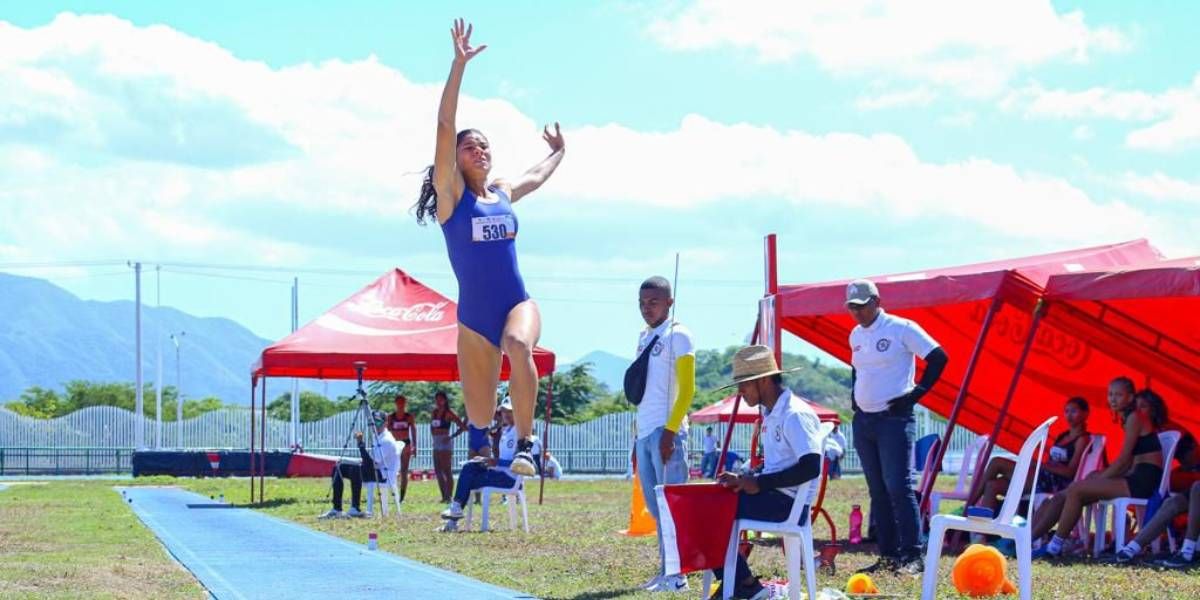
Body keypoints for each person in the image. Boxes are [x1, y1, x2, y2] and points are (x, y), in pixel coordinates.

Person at [413, 19, 565, 478]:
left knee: (520, 344)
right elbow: (444, 123)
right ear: (454, 160)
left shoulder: (500, 192)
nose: (478, 150)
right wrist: (458, 66)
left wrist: (560, 151)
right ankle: (486, 444)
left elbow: (535, 177)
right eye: (469, 147)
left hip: (516, 302)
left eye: (484, 146)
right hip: (474, 321)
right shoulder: (451, 199)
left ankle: (528, 442)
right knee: (477, 418)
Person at [845, 279, 948, 575]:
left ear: (877, 301)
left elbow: (938, 357)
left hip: (894, 419)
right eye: (852, 308)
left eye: (862, 307)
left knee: (898, 488)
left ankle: (913, 556)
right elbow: (857, 368)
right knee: (877, 491)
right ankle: (888, 556)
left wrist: (915, 395)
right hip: (864, 420)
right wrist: (855, 397)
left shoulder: (901, 328)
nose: (858, 313)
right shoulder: (855, 335)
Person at [708, 345, 823, 600]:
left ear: (763, 380)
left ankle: (742, 586)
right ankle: (741, 584)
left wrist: (758, 482)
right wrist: (744, 478)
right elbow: (778, 466)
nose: (740, 392)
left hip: (788, 504)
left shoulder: (794, 413)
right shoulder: (772, 413)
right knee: (705, 505)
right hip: (776, 496)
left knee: (708, 513)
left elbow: (811, 466)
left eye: (744, 384)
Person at [1031, 382, 1166, 558]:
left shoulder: (1135, 418)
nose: (1113, 399)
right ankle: (1029, 541)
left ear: (1130, 397)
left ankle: (1053, 547)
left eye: (1118, 395)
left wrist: (1100, 478)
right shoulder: (1129, 419)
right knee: (1063, 495)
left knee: (1077, 489)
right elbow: (1127, 462)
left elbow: (1125, 460)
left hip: (1142, 481)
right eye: (1110, 394)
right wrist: (1101, 475)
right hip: (1133, 476)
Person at [632, 276, 696, 593]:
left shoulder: (678, 335)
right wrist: (638, 437)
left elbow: (687, 390)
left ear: (669, 302)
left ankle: (679, 574)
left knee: (673, 507)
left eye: (653, 302)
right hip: (644, 433)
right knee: (657, 509)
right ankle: (665, 570)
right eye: (642, 302)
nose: (647, 308)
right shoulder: (644, 337)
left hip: (666, 431)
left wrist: (670, 432)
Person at [965, 397, 1091, 513]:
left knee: (996, 462)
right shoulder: (1063, 436)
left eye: (1074, 411)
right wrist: (1040, 465)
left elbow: (1070, 472)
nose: (1069, 415)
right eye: (1067, 411)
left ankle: (969, 505)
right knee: (992, 485)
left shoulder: (1082, 440)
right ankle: (981, 534)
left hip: (1054, 482)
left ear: (1085, 414)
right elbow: (1051, 461)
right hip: (1042, 474)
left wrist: (1041, 465)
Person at [438, 397, 528, 531]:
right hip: (499, 472)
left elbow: (522, 462)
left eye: (510, 411)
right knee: (469, 467)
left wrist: (496, 461)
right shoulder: (506, 431)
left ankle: (453, 519)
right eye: (503, 411)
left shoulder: (521, 432)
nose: (506, 415)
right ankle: (454, 514)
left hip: (510, 478)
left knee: (468, 479)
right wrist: (489, 461)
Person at [319, 411, 402, 519]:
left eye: (377, 422)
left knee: (356, 470)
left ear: (386, 423)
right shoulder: (379, 437)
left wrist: (360, 444)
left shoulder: (386, 440)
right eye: (371, 423)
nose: (374, 426)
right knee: (338, 468)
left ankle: (355, 508)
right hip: (377, 470)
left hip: (384, 475)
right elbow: (370, 461)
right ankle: (336, 509)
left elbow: (371, 463)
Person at [430, 391, 466, 503]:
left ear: (445, 400)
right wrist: (433, 436)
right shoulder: (434, 412)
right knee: (437, 470)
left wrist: (451, 436)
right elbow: (432, 425)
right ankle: (444, 496)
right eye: (437, 399)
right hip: (436, 442)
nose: (438, 402)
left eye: (440, 399)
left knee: (446, 470)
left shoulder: (449, 413)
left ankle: (449, 496)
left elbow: (462, 426)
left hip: (445, 442)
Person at [385, 395, 416, 501]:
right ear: (395, 403)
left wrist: (414, 446)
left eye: (402, 402)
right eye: (398, 402)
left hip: (405, 444)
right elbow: (386, 431)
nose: (400, 404)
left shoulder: (409, 416)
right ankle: (393, 491)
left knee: (404, 470)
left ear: (405, 403)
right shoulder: (391, 417)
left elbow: (413, 430)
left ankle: (401, 496)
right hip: (394, 444)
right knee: (392, 469)